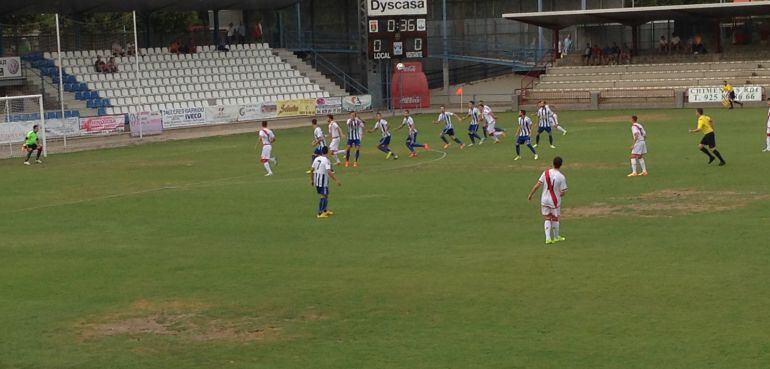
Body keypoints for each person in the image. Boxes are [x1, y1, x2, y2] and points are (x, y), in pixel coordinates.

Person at [528, 156, 568, 245]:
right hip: (554, 200)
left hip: (544, 199)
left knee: (547, 218)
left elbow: (538, 185)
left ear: (553, 163)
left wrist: (531, 194)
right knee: (555, 218)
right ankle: (556, 236)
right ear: (560, 165)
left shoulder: (545, 173)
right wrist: (560, 194)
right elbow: (563, 192)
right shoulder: (561, 177)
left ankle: (548, 238)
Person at [310, 146, 341, 219]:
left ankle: (325, 210)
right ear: (327, 152)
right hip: (322, 181)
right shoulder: (326, 160)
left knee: (326, 194)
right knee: (323, 195)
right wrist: (336, 180)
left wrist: (311, 180)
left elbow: (311, 170)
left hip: (317, 180)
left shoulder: (317, 158)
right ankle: (320, 213)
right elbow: (329, 172)